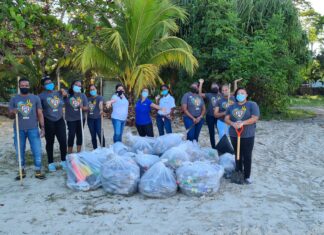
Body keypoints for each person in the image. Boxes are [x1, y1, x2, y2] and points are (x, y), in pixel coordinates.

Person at [9, 77, 46, 180]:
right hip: (19, 129)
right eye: (22, 85)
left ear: (29, 86)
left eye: (26, 85)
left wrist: (42, 128)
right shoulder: (14, 99)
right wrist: (13, 112)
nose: (24, 87)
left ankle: (38, 170)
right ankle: (22, 170)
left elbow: (40, 113)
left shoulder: (35, 98)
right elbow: (10, 116)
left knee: (37, 150)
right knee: (19, 151)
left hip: (33, 129)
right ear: (19, 86)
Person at [225, 87, 260, 184]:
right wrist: (232, 123)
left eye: (243, 93)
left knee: (247, 155)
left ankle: (247, 176)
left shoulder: (252, 105)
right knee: (237, 154)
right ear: (236, 96)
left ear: (246, 95)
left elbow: (254, 118)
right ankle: (239, 172)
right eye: (238, 93)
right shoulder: (231, 107)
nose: (240, 94)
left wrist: (242, 123)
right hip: (234, 134)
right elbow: (226, 119)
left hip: (248, 134)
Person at [38, 76, 67, 172]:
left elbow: (66, 97)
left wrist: (64, 91)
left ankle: (63, 161)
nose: (50, 84)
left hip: (60, 120)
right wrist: (41, 126)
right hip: (48, 121)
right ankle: (51, 163)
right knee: (50, 142)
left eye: (50, 82)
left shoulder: (58, 93)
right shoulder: (41, 96)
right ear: (43, 86)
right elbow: (39, 111)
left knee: (63, 141)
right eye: (47, 83)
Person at [64, 80, 88, 153]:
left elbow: (87, 107)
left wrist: (82, 107)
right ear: (72, 85)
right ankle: (69, 153)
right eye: (76, 85)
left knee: (79, 135)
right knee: (71, 135)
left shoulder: (82, 95)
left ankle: (78, 153)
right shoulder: (67, 95)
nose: (78, 86)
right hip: (70, 119)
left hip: (80, 118)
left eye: (79, 85)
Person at [198, 79, 221, 148]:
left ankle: (222, 145)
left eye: (215, 86)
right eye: (213, 86)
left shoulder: (222, 95)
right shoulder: (209, 94)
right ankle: (213, 147)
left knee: (221, 132)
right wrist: (201, 83)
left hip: (219, 116)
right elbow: (199, 94)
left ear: (218, 87)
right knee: (211, 132)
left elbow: (233, 94)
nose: (214, 87)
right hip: (210, 116)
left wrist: (235, 83)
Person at [87, 84, 105, 149]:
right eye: (91, 90)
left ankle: (103, 149)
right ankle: (95, 150)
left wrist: (101, 110)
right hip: (90, 119)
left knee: (100, 134)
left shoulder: (100, 97)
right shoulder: (88, 99)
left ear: (96, 89)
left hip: (98, 119)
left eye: (93, 89)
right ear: (89, 91)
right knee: (93, 135)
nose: (92, 90)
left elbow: (100, 104)